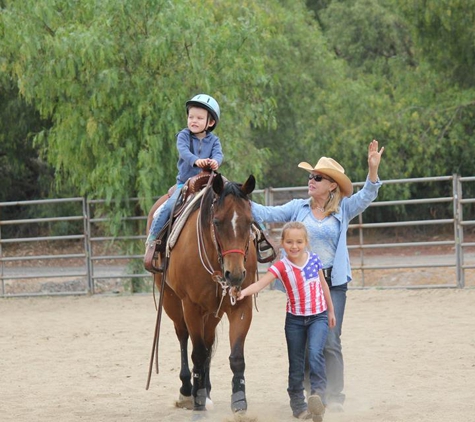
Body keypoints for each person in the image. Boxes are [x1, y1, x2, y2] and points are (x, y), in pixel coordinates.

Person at [251, 140, 384, 412]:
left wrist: (372, 171)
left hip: (332, 282)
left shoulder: (343, 208)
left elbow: (366, 196)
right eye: (311, 176)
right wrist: (236, 195)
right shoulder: (298, 207)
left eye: (318, 177)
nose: (311, 180)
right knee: (308, 339)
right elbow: (266, 213)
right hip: (302, 283)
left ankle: (335, 396)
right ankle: (316, 394)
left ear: (332, 184)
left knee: (330, 339)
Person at [238, 222, 336, 421]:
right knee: (296, 362)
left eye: (299, 242)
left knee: (316, 353)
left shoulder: (314, 260)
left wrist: (331, 311)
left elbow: (324, 286)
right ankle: (298, 405)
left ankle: (318, 395)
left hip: (319, 316)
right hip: (295, 321)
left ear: (306, 242)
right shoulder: (281, 266)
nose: (294, 246)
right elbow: (260, 284)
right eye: (289, 242)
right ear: (282, 243)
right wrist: (243, 292)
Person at [146, 94, 223, 246]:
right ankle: (153, 236)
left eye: (200, 118)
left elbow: (218, 154)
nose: (194, 120)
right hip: (185, 184)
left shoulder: (214, 140)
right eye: (191, 117)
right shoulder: (183, 136)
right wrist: (196, 161)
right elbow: (184, 152)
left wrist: (215, 162)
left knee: (232, 198)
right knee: (170, 204)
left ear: (211, 122)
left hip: (209, 183)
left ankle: (256, 231)